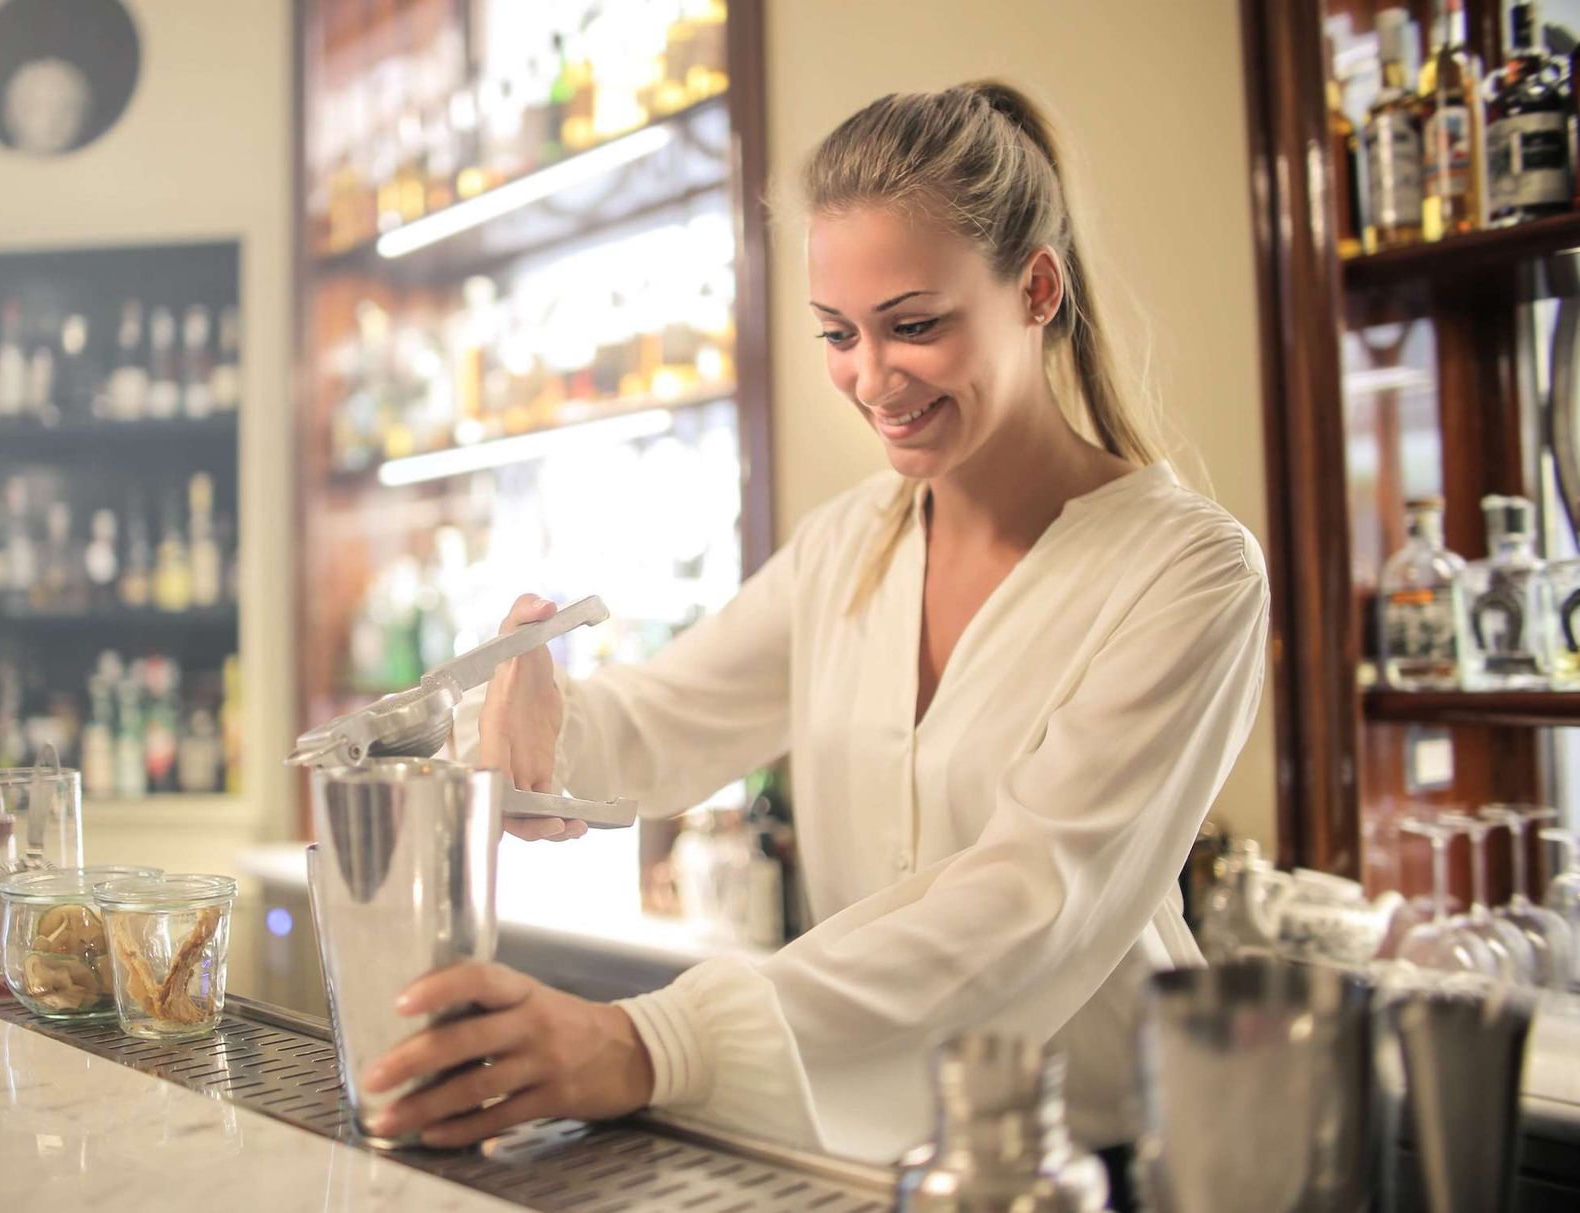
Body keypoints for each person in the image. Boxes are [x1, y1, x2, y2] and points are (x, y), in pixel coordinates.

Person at [357, 80, 1270, 1192]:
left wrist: (650, 1042)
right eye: (838, 334)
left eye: (915, 325)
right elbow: (667, 715)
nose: (871, 379)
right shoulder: (851, 546)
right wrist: (529, 722)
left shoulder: (1184, 571)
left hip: (1091, 1163)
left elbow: (1032, 894)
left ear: (1036, 287)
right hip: (861, 1162)